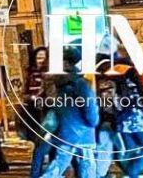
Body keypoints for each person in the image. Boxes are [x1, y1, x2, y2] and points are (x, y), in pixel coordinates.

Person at [38, 46, 99, 178]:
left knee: (60, 162)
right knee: (87, 164)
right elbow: (90, 107)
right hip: (83, 131)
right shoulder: (80, 83)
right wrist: (93, 121)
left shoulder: (56, 83)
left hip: (65, 130)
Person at [112, 61, 143, 178]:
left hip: (119, 121)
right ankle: (132, 173)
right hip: (135, 120)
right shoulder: (132, 81)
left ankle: (133, 173)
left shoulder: (110, 79)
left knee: (131, 150)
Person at [20, 47, 52, 178]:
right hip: (34, 113)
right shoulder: (31, 74)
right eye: (38, 57)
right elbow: (24, 93)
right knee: (40, 145)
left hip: (47, 113)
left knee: (46, 145)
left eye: (43, 58)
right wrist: (32, 98)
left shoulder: (51, 75)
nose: (41, 61)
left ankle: (40, 173)